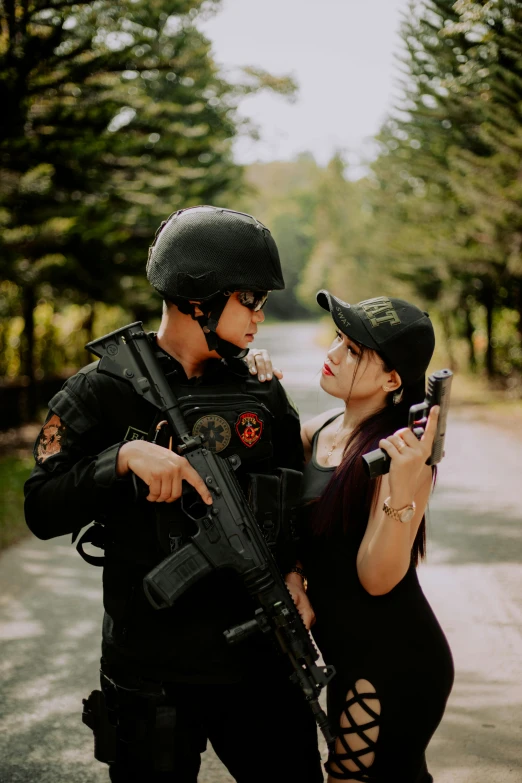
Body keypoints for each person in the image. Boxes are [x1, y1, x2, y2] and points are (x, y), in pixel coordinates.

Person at [24, 206, 323, 783]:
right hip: (150, 674)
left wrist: (296, 572)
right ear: (197, 298)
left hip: (258, 664)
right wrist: (121, 459)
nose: (260, 314)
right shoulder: (100, 390)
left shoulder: (258, 390)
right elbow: (40, 507)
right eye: (251, 298)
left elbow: (292, 493)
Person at [252, 291, 454, 782]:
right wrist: (253, 389)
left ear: (392, 380)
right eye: (338, 339)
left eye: (353, 350)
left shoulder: (403, 458)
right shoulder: (318, 433)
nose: (334, 353)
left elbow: (378, 577)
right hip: (345, 657)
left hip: (396, 661)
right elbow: (286, 521)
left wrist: (402, 491)